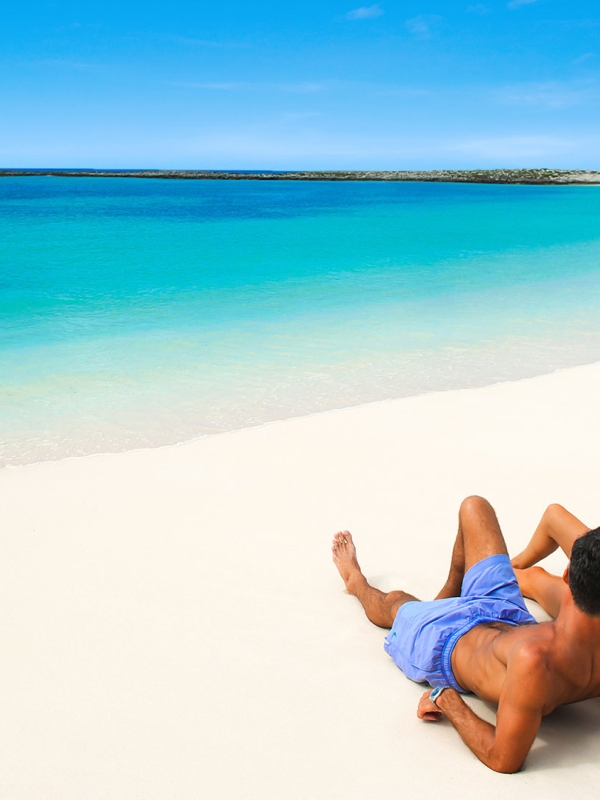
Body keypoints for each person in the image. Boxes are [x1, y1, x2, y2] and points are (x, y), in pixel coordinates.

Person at [331, 496, 600, 773]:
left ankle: (356, 583)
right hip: (508, 612)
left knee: (396, 603)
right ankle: (451, 589)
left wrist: (447, 699)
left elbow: (503, 759)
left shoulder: (535, 662)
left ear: (566, 574)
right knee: (474, 507)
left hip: (446, 642)